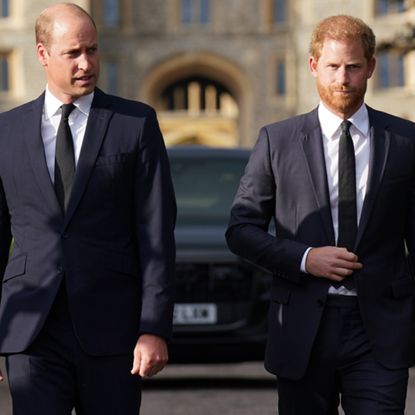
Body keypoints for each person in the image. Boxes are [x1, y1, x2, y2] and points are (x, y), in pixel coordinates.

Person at [226, 14, 415, 415]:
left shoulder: (406, 142)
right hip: (302, 329)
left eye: (353, 66)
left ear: (371, 67)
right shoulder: (277, 141)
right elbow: (241, 230)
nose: (342, 78)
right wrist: (305, 258)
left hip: (379, 330)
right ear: (314, 66)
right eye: (332, 66)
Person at [0, 3, 176, 414]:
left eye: (92, 51)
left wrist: (153, 328)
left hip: (113, 332)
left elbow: (156, 235)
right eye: (73, 53)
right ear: (42, 54)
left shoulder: (135, 124)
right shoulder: (5, 132)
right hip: (30, 332)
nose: (86, 63)